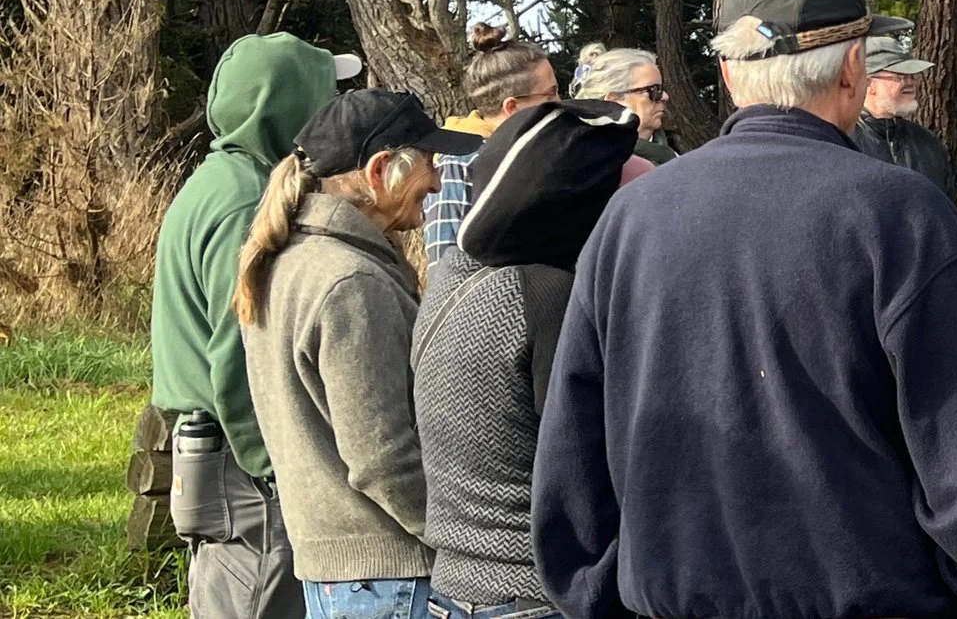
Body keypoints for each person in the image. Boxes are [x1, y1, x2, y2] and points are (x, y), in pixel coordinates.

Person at [531, 0, 957, 619]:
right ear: (852, 70)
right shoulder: (902, 216)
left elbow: (572, 454)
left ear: (731, 73)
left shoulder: (630, 219)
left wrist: (600, 599)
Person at [236, 90, 481, 619]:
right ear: (378, 172)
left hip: (347, 577)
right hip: (389, 579)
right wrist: (465, 540)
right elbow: (380, 457)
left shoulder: (295, 260)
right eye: (430, 165)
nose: (438, 182)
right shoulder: (350, 281)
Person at [154, 35, 361, 619]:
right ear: (287, 105)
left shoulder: (221, 178)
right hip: (243, 463)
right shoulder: (245, 200)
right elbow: (238, 353)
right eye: (325, 94)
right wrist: (279, 473)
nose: (332, 109)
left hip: (222, 457)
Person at [415, 99, 640, 619]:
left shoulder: (453, 275)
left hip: (453, 588)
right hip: (536, 590)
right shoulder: (542, 296)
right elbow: (586, 462)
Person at [423, 26, 561, 264]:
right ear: (512, 107)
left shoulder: (539, 153)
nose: (560, 102)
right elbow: (442, 264)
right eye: (551, 95)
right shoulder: (458, 162)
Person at [850, 27, 957, 201]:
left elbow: (951, 216)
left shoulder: (927, 142)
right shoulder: (840, 142)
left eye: (912, 75)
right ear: (868, 83)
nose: (910, 83)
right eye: (900, 76)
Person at [567, 45, 675, 164]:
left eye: (661, 88)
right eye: (653, 90)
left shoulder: (670, 156)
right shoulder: (591, 164)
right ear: (613, 101)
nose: (665, 97)